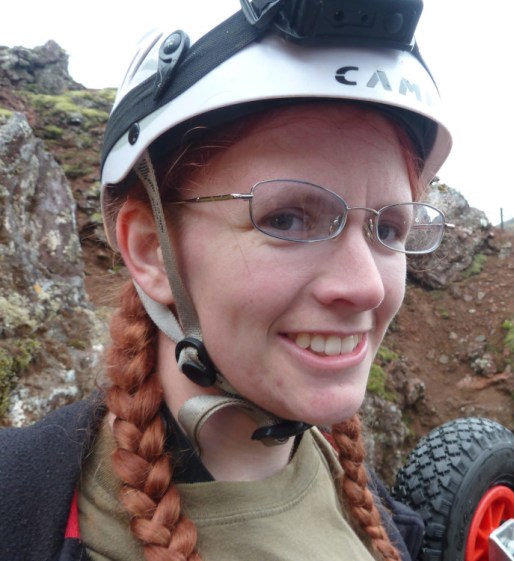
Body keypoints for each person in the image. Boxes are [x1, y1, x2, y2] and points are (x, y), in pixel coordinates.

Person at [0, 1, 451, 560]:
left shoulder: (371, 508)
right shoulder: (20, 510)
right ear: (151, 252)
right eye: (287, 219)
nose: (367, 288)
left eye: (389, 227)